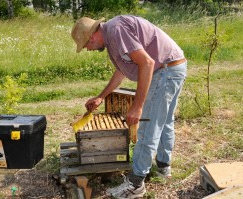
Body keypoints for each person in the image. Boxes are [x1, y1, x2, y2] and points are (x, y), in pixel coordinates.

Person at [71, 15, 187, 198]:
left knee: (147, 129)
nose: (87, 49)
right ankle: (164, 168)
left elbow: (147, 63)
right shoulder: (112, 36)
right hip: (173, 66)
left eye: (85, 45)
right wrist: (101, 96)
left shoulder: (116, 30)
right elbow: (122, 71)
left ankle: (135, 185)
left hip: (164, 71)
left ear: (91, 36)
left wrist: (137, 106)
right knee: (163, 121)